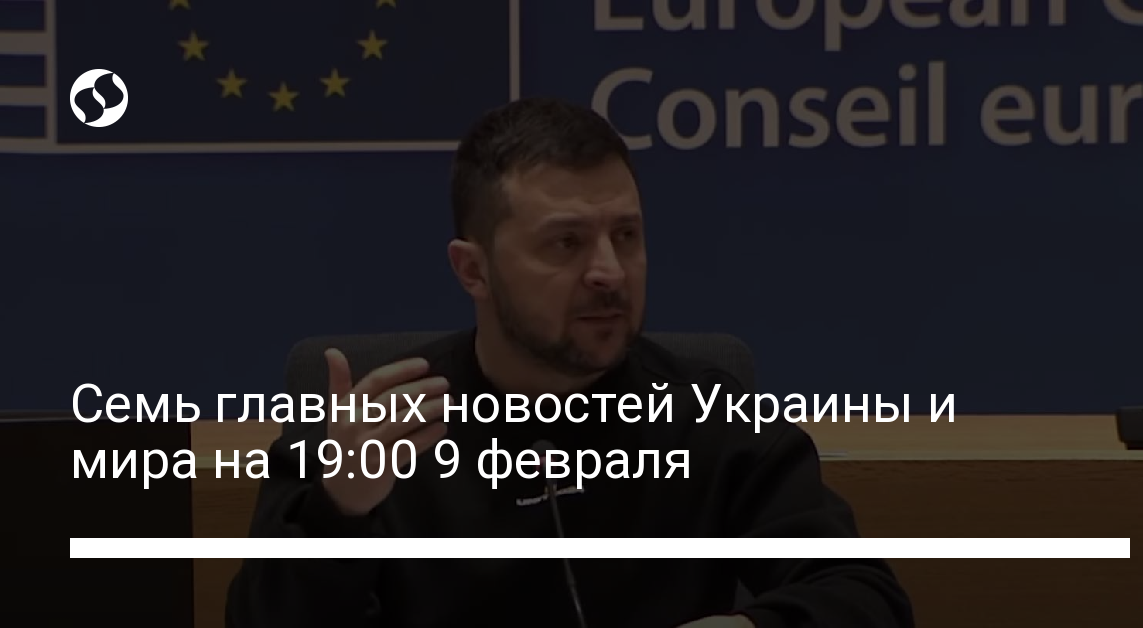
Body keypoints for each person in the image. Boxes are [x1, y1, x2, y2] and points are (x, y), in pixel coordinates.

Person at [225, 97, 914, 628]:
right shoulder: (371, 432)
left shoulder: (710, 413)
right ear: (473, 270)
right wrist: (339, 515)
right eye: (566, 243)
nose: (609, 271)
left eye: (627, 235)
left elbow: (866, 597)